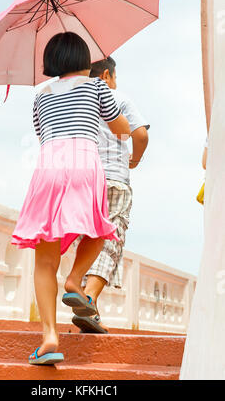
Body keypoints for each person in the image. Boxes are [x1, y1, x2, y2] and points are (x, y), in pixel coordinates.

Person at [11, 33, 131, 364]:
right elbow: (121, 129)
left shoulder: (41, 95)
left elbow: (42, 134)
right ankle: (76, 279)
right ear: (83, 60)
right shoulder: (97, 88)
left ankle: (49, 336)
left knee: (44, 260)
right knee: (99, 230)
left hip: (49, 166)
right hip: (85, 163)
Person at [72, 56, 149, 334]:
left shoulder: (79, 102)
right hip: (115, 179)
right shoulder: (119, 98)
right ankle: (89, 297)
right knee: (110, 241)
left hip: (84, 179)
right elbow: (140, 135)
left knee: (86, 242)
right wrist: (136, 160)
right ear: (107, 75)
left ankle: (90, 314)